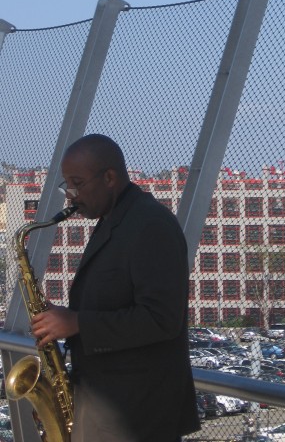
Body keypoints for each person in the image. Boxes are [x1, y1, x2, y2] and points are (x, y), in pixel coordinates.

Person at [31, 134, 200, 442]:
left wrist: (76, 322)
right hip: (109, 411)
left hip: (138, 419)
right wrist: (65, 317)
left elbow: (162, 319)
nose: (71, 195)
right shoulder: (115, 219)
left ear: (109, 177)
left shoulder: (151, 224)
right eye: (67, 184)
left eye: (78, 183)